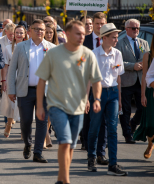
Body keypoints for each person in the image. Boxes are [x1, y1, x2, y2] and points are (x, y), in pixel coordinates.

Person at [35, 20, 103, 184]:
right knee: (64, 141)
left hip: (78, 107)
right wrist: (39, 106)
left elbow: (96, 80)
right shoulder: (53, 54)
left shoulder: (88, 54)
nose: (82, 36)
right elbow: (41, 81)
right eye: (78, 33)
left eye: (83, 34)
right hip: (57, 106)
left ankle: (61, 177)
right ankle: (66, 180)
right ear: (67, 34)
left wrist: (96, 99)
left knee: (71, 145)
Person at [7, 19, 55, 163]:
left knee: (41, 122)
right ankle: (28, 143)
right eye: (37, 29)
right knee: (26, 121)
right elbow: (11, 70)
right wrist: (11, 89)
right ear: (29, 31)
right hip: (25, 90)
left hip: (45, 92)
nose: (40, 32)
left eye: (42, 30)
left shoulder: (51, 48)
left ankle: (38, 152)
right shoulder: (21, 47)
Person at [87, 23, 128, 175]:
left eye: (117, 37)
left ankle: (113, 164)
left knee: (112, 129)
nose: (116, 40)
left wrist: (120, 98)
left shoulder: (117, 53)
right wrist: (86, 99)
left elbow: (118, 78)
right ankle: (91, 158)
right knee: (95, 127)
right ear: (104, 38)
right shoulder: (93, 54)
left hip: (113, 94)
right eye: (114, 37)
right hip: (98, 93)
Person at [116, 19, 150, 144]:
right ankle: (127, 134)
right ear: (127, 29)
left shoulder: (144, 43)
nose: (136, 31)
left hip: (141, 81)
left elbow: (148, 59)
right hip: (126, 80)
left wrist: (144, 65)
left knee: (142, 108)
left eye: (138, 28)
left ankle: (133, 124)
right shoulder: (120, 43)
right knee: (126, 110)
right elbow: (118, 62)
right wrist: (132, 66)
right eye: (134, 28)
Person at [81, 12, 108, 165]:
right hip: (87, 85)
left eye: (101, 23)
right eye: (97, 23)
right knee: (88, 119)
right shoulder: (85, 42)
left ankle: (101, 153)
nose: (99, 26)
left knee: (103, 121)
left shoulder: (110, 41)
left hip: (105, 87)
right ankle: (87, 143)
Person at [134, 29, 154, 158]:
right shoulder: (148, 55)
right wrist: (143, 95)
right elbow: (145, 75)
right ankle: (151, 144)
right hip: (151, 89)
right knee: (151, 121)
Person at [1, 25, 27, 137]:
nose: (19, 35)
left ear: (25, 34)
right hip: (12, 77)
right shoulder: (8, 48)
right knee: (12, 103)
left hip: (24, 77)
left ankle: (23, 129)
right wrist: (4, 80)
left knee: (22, 104)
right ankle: (9, 123)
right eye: (17, 32)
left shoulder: (28, 47)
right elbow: (5, 66)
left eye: (21, 33)